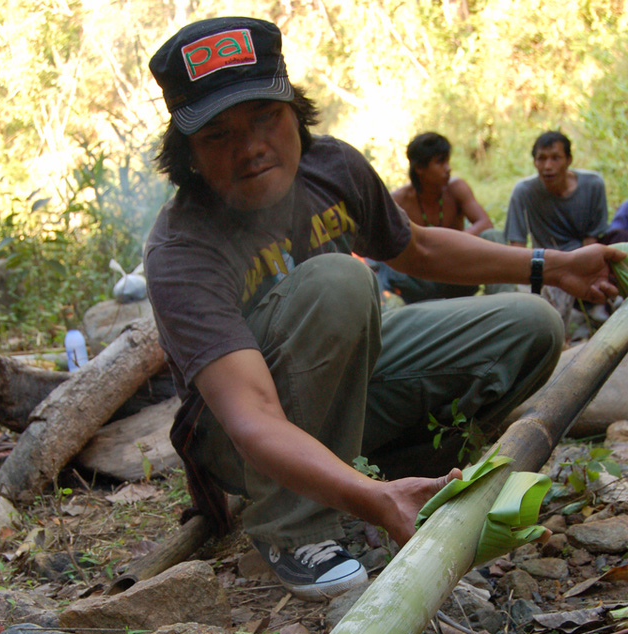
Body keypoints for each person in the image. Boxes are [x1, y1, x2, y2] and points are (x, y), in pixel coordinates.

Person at [145, 17, 622, 601]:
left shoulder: (333, 168)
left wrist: (552, 265)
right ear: (188, 154)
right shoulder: (181, 247)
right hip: (238, 437)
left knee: (533, 327)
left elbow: (416, 246)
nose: (250, 148)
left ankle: (404, 471)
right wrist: (370, 503)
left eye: (265, 117)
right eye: (218, 134)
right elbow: (252, 415)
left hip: (343, 387)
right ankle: (293, 525)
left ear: (295, 109)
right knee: (341, 281)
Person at [373, 131, 503, 303]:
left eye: (447, 161)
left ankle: (504, 304)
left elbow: (485, 223)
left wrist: (452, 243)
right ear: (419, 168)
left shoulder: (456, 188)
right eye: (440, 162)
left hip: (460, 271)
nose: (448, 168)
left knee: (493, 237)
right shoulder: (399, 200)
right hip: (423, 280)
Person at [504, 131, 608, 251]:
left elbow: (592, 238)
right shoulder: (523, 191)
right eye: (541, 159)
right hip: (545, 261)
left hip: (582, 257)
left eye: (556, 158)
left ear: (569, 160)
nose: (548, 166)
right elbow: (517, 245)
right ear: (534, 162)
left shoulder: (593, 185)